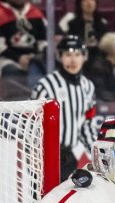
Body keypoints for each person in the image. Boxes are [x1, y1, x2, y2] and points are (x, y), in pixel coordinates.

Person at [31, 35, 98, 182]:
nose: (73, 60)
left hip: (69, 157)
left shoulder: (88, 86)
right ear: (59, 57)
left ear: (84, 57)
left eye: (77, 55)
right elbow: (33, 124)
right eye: (68, 55)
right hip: (45, 155)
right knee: (43, 196)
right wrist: (35, 152)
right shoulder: (46, 85)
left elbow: (87, 124)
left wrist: (96, 153)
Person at [0, 0, 48, 91]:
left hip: (33, 57)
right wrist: (18, 58)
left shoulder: (36, 14)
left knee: (43, 70)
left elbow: (43, 41)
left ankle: (38, 98)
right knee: (12, 73)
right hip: (7, 59)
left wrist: (37, 57)